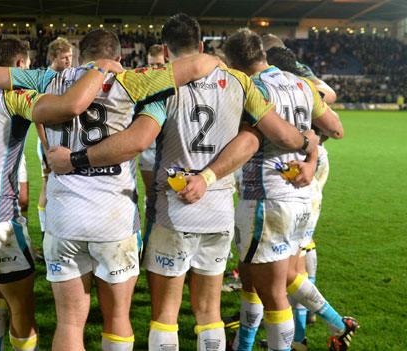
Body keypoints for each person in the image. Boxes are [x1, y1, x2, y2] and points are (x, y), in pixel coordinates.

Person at [45, 14, 320, 351]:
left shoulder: (162, 85)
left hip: (172, 210)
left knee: (165, 315)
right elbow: (266, 135)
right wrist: (309, 145)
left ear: (164, 48)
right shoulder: (238, 81)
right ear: (202, 45)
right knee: (209, 312)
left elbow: (140, 139)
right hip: (217, 209)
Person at [0, 28, 240, 351]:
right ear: (118, 57)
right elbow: (197, 66)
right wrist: (215, 60)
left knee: (69, 321)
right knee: (117, 319)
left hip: (64, 216)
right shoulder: (134, 81)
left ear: (80, 54)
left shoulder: (47, 79)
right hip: (113, 218)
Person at [0, 36, 122, 351]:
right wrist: (100, 70)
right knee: (21, 310)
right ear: (20, 65)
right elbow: (68, 107)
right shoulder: (15, 98)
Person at [223, 28, 354, 351]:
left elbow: (247, 139)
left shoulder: (249, 88)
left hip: (267, 197)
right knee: (270, 283)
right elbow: (335, 128)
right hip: (299, 199)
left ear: (234, 61)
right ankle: (246, 343)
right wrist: (310, 149)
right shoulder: (300, 84)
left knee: (271, 294)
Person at [35, 36, 75, 260]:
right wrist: (44, 144)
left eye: (71, 57)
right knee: (47, 184)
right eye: (64, 57)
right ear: (53, 57)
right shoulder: (46, 78)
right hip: (50, 142)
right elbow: (38, 117)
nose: (69, 61)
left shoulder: (68, 76)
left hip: (67, 140)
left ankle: (63, 232)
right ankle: (44, 234)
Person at [139, 44, 166, 205]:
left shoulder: (177, 86)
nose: (155, 68)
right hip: (148, 150)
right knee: (150, 194)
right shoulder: (142, 87)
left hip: (170, 151)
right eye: (151, 65)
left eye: (159, 65)